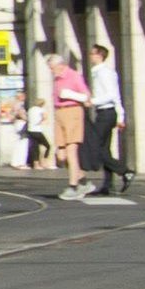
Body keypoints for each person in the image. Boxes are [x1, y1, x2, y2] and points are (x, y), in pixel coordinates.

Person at [85, 40, 127, 197]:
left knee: (95, 146)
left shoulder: (104, 73)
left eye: (92, 53)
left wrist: (92, 101)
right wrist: (120, 116)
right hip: (105, 112)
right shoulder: (98, 72)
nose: (90, 56)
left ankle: (125, 171)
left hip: (106, 113)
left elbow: (112, 95)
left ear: (100, 56)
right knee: (104, 149)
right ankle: (107, 185)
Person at [51, 46, 91, 199]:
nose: (51, 71)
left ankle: (73, 186)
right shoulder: (57, 78)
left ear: (60, 65)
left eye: (52, 68)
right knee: (61, 155)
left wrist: (70, 95)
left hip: (72, 111)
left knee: (71, 151)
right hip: (59, 113)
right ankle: (83, 180)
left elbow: (86, 97)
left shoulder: (73, 76)